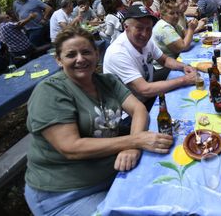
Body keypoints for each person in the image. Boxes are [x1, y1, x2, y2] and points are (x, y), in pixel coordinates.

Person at [23, 26, 173, 216]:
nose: (80, 59)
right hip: (65, 195)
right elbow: (70, 147)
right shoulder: (50, 91)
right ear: (59, 60)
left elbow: (139, 109)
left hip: (113, 174)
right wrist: (136, 140)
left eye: (86, 52)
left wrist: (132, 147)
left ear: (97, 54)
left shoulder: (106, 81)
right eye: (71, 55)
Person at [103, 5, 196, 110]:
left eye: (149, 29)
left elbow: (164, 60)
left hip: (146, 93)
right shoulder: (117, 53)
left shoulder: (146, 41)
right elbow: (144, 90)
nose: (145, 34)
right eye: (139, 28)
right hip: (129, 111)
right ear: (126, 27)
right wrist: (184, 80)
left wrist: (184, 66)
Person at [152, 0, 198, 81]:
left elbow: (185, 34)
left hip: (174, 61)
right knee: (195, 72)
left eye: (178, 13)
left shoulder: (173, 24)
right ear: (162, 15)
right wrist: (191, 29)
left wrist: (191, 28)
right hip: (163, 67)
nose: (176, 16)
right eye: (172, 13)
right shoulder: (164, 27)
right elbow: (183, 47)